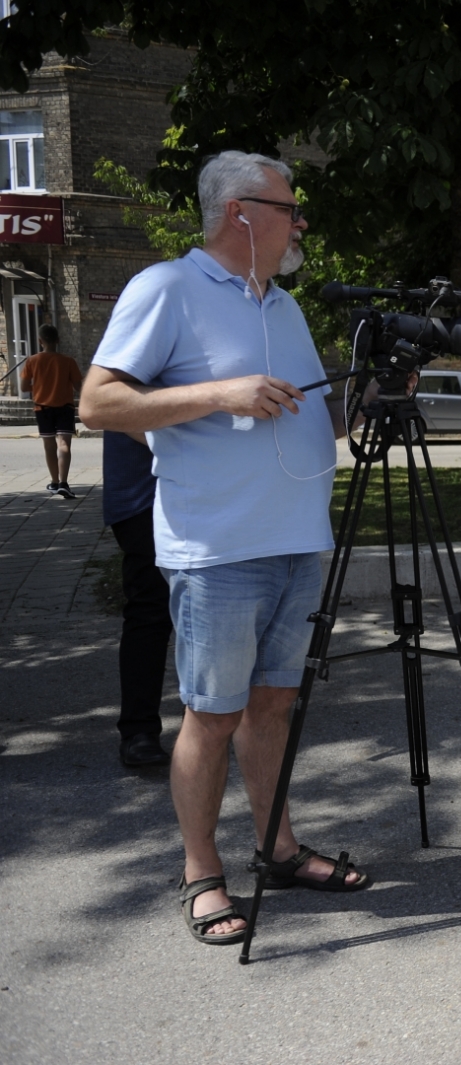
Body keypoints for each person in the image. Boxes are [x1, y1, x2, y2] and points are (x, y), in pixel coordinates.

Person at [79, 150, 370, 947]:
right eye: (289, 205)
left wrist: (367, 397)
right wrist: (221, 392)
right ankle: (201, 871)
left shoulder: (283, 306)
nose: (300, 220)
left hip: (297, 540)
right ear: (241, 212)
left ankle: (276, 849)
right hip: (218, 547)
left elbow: (312, 416)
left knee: (274, 704)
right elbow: (98, 401)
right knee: (213, 713)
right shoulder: (166, 288)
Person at [103, 429, 174, 767]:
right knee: (151, 608)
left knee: (219, 605)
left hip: (204, 490)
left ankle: (223, 716)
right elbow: (112, 407)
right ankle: (138, 731)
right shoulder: (124, 372)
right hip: (144, 494)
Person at [20, 325, 84, 498]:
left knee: (49, 446)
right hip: (65, 408)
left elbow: (24, 387)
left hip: (42, 408)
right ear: (58, 340)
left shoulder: (32, 361)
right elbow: (79, 386)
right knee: (64, 444)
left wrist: (40, 386)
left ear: (40, 341)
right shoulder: (68, 361)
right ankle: (64, 482)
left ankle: (54, 482)